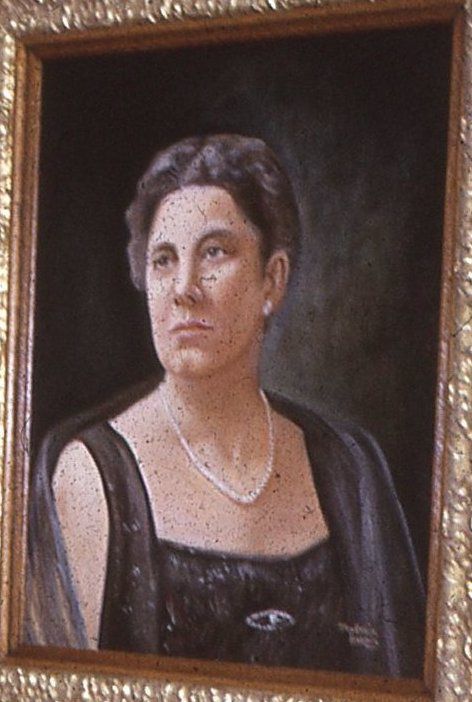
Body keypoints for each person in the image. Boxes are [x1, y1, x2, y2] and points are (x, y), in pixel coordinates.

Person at [25, 134, 424, 677]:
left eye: (214, 252)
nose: (184, 288)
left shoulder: (349, 467)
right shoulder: (92, 476)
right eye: (163, 260)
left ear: (272, 280)